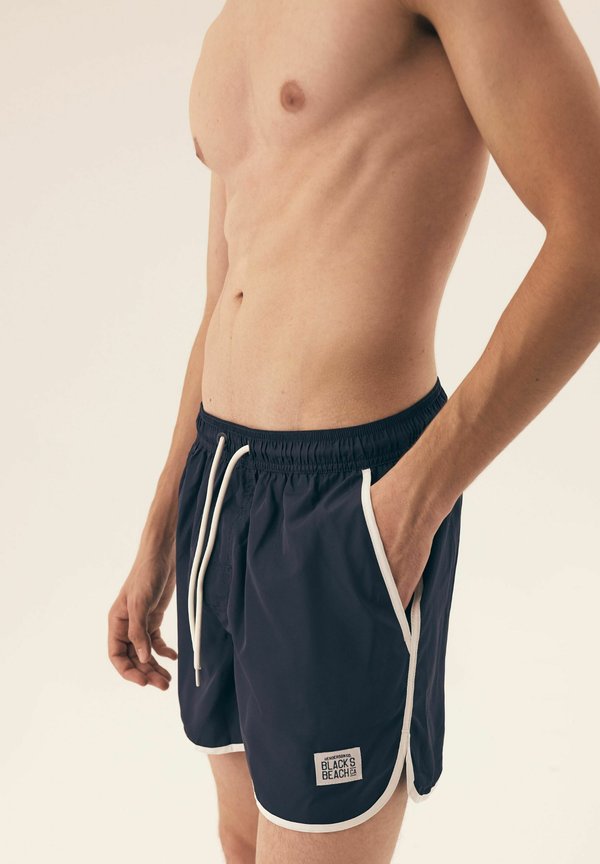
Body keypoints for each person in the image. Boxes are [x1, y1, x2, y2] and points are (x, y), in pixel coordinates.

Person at [108, 1, 600, 861]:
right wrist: (163, 522)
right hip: (219, 484)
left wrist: (415, 501)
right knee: (241, 840)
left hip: (351, 497)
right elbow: (228, 288)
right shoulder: (235, 17)